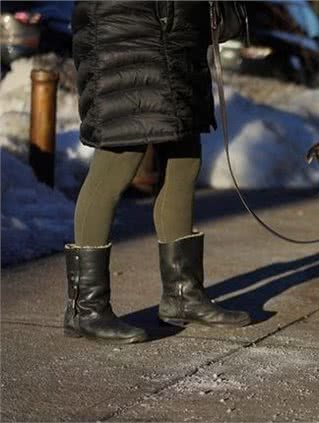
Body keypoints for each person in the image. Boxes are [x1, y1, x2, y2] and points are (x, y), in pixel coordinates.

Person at [65, 1, 250, 344]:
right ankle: (86, 309)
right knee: (119, 156)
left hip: (177, 37)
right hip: (125, 30)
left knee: (184, 157)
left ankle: (183, 295)